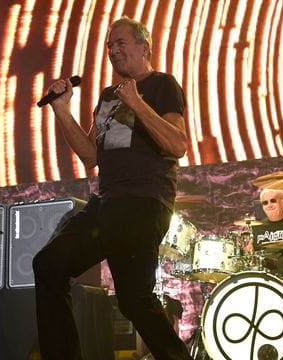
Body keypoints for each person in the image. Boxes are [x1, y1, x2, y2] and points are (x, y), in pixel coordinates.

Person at [32, 17, 192, 359]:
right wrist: (61, 110)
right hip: (107, 202)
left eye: (121, 43)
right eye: (109, 46)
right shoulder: (107, 96)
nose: (113, 50)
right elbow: (91, 155)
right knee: (48, 264)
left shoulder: (162, 84)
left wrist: (137, 103)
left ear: (144, 48)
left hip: (144, 201)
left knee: (134, 299)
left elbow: (177, 145)